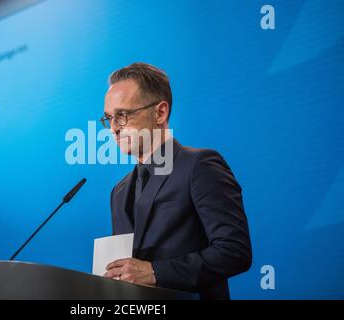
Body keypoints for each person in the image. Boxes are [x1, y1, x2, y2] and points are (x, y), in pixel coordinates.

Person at [100, 62, 252, 300]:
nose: (113, 129)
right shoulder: (118, 192)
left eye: (123, 115)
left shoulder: (199, 165)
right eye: (108, 118)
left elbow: (234, 251)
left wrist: (154, 271)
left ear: (160, 112)